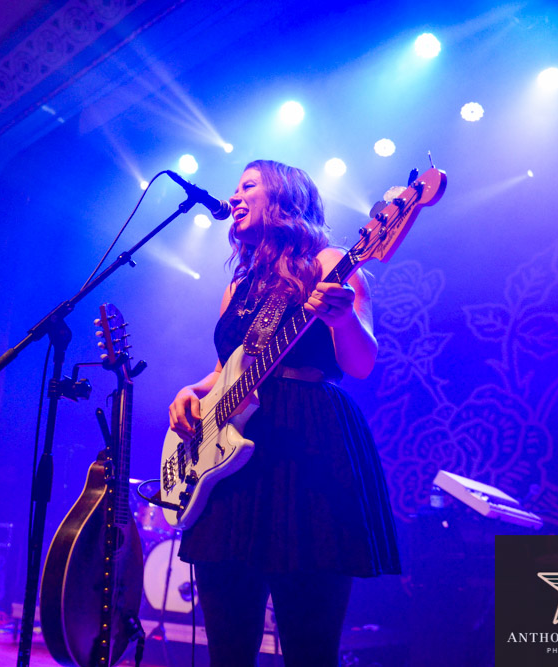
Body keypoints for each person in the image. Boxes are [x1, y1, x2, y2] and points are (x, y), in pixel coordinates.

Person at [168, 160, 401, 667]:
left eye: (248, 186)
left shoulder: (330, 262)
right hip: (231, 463)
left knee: (309, 646)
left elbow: (361, 364)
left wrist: (342, 319)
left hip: (307, 443)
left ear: (284, 198)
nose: (235, 196)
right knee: (227, 647)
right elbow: (226, 370)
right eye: (235, 188)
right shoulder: (239, 286)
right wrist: (191, 390)